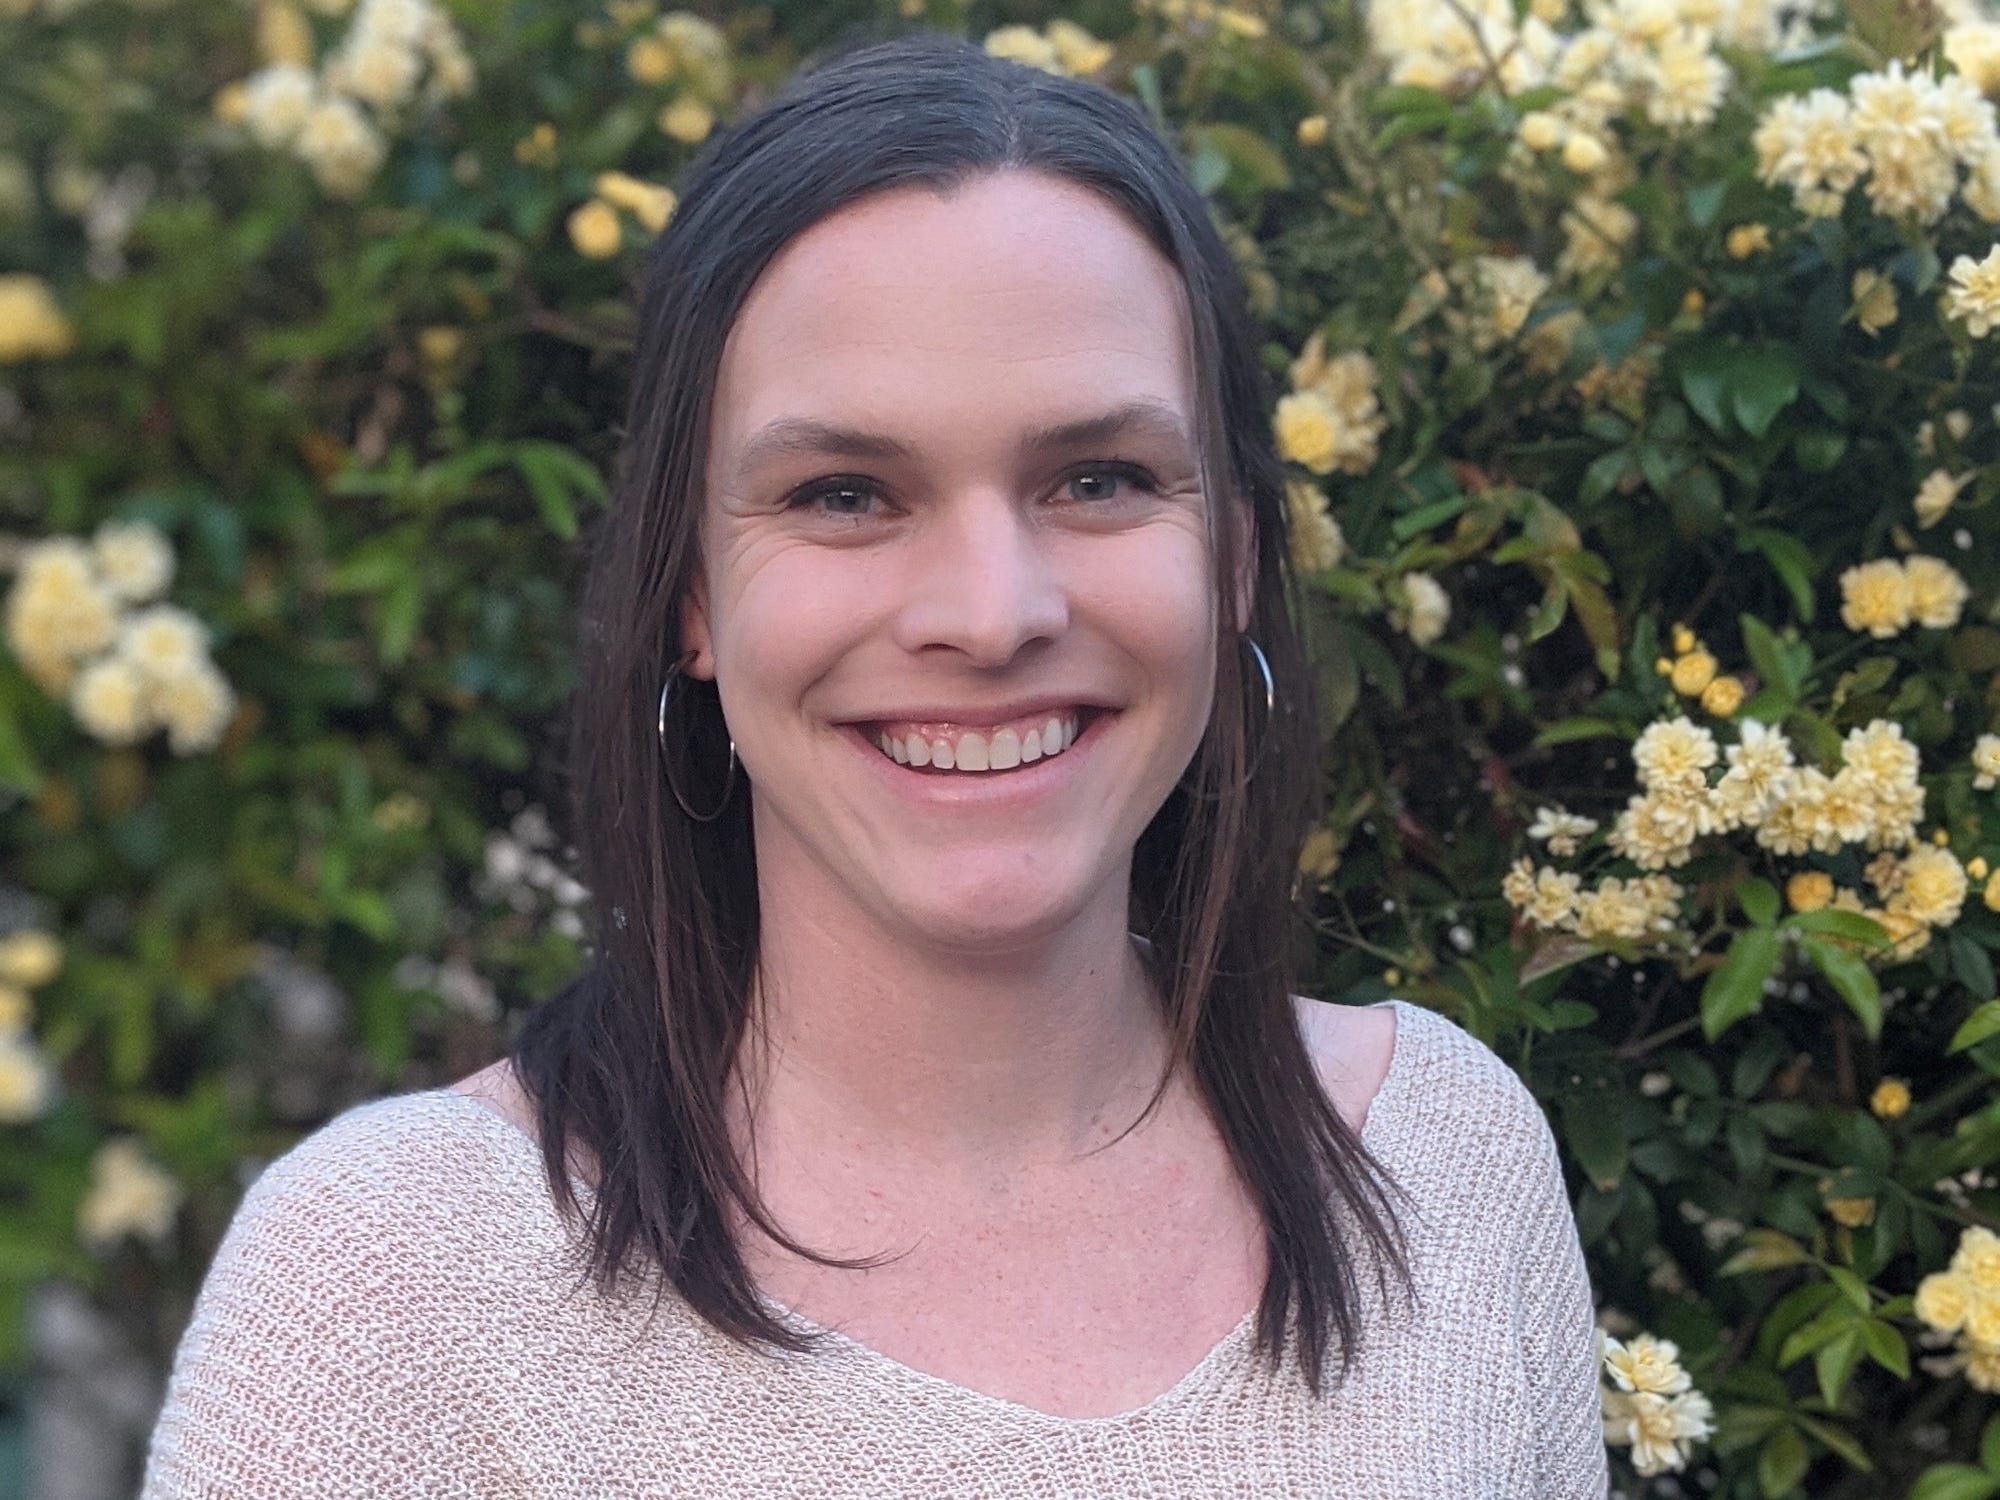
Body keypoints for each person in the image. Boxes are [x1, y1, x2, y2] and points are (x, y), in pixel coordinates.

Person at [140, 31, 1608, 1498]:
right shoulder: (384, 1294)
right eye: (845, 494)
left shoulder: (1448, 1166)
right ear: (691, 595)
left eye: (1098, 479)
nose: (992, 613)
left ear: (1229, 558)